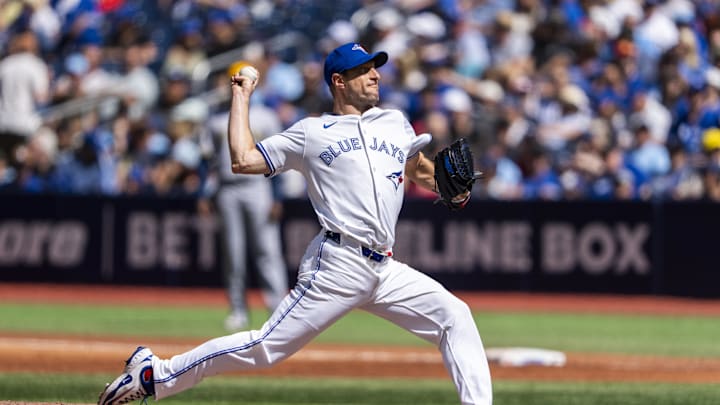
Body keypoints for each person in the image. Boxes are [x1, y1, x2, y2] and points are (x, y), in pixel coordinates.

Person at [97, 42, 493, 405]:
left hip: (385, 268)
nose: (375, 74)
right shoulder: (311, 133)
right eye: (364, 69)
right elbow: (244, 159)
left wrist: (446, 185)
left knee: (454, 317)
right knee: (264, 349)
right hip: (339, 263)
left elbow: (415, 167)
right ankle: (155, 374)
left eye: (376, 67)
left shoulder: (394, 123)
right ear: (339, 81)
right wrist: (241, 95)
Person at [207, 92, 289, 331]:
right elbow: (208, 159)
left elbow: (278, 158)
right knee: (233, 253)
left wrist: (277, 195)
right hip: (227, 186)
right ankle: (238, 310)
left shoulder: (265, 117)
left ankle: (278, 309)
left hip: (258, 185)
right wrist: (207, 192)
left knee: (267, 249)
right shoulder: (218, 119)